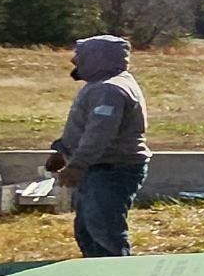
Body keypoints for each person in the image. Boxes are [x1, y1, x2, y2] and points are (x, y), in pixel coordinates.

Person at [47, 35, 150, 258]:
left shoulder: (109, 90)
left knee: (105, 233)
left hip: (112, 170)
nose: (74, 61)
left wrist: (77, 165)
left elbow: (99, 134)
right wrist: (62, 150)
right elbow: (87, 127)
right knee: (88, 231)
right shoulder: (103, 86)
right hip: (100, 168)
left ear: (98, 58)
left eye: (80, 55)